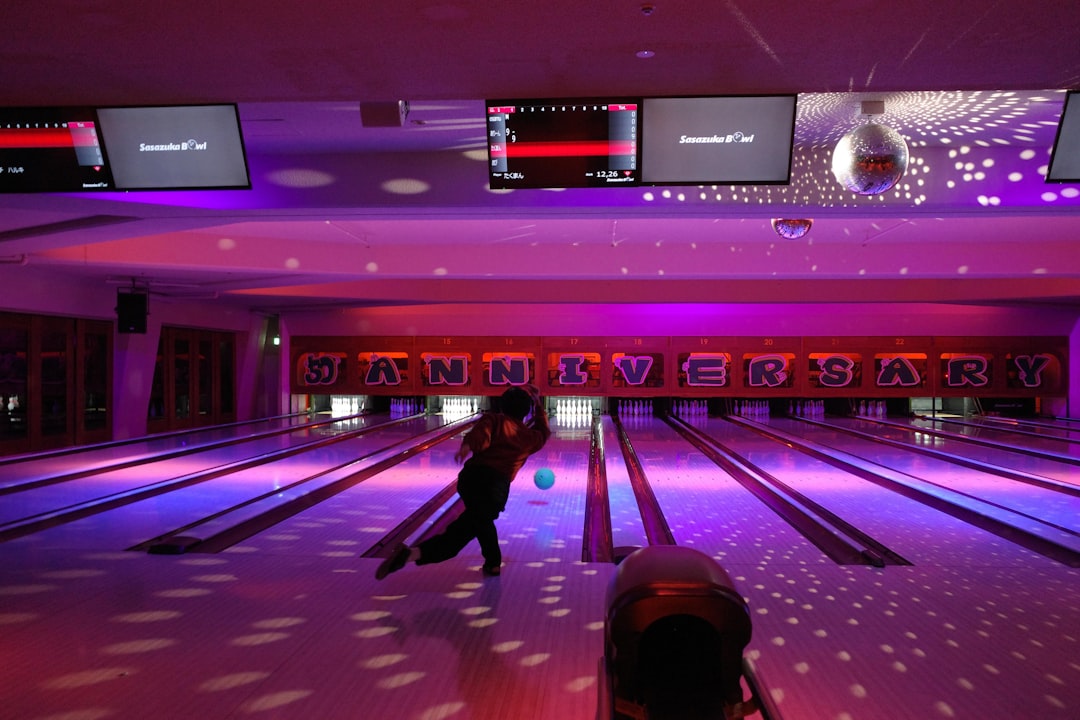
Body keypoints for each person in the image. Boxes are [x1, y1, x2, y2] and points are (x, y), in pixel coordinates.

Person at [376, 384, 550, 579]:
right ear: (526, 411)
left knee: (479, 521)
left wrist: (467, 446)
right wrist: (538, 404)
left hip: (471, 479)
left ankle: (492, 563)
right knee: (461, 535)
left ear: (502, 406)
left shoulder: (493, 419)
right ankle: (412, 555)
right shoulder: (530, 438)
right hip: (494, 489)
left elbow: (481, 434)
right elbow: (543, 432)